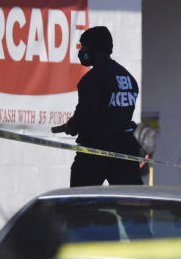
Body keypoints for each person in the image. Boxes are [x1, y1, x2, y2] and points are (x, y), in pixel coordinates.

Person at [55, 26, 143, 186]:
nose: (81, 52)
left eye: (84, 47)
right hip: (125, 151)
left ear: (96, 49)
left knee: (79, 203)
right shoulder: (129, 78)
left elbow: (86, 114)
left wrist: (72, 126)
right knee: (131, 204)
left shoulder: (92, 80)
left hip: (95, 151)